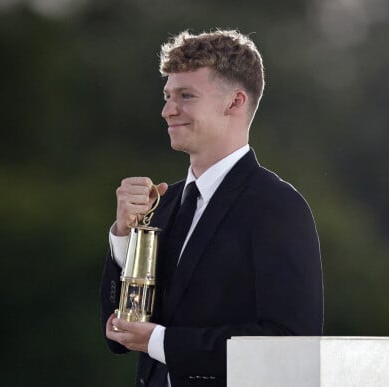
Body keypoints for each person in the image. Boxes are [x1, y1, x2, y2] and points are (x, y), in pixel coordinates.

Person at [99, 29, 323, 387]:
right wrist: (124, 237)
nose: (168, 110)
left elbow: (290, 345)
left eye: (186, 96)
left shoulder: (278, 206)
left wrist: (160, 342)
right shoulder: (164, 203)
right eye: (167, 96)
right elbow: (119, 335)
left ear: (234, 102)